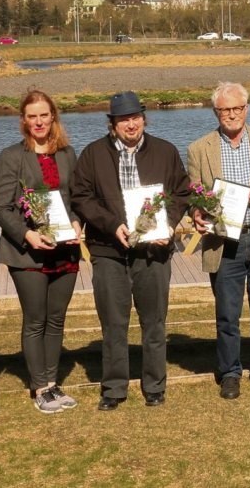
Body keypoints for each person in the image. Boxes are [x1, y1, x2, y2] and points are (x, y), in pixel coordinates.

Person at [70, 91, 191, 411]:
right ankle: (114, 388)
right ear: (112, 124)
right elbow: (81, 196)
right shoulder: (93, 154)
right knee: (113, 323)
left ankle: (154, 385)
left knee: (154, 321)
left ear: (144, 119)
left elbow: (182, 191)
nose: (131, 124)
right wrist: (112, 225)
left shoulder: (165, 151)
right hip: (108, 250)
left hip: (153, 253)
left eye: (135, 117)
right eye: (124, 119)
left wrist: (168, 225)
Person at [187, 82, 250, 399]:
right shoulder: (199, 149)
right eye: (224, 109)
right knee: (227, 314)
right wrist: (197, 211)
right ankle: (230, 372)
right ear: (216, 112)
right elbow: (193, 193)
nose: (231, 114)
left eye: (237, 108)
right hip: (224, 242)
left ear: (246, 109)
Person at [0, 90, 84, 414]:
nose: (39, 122)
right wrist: (27, 234)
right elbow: (1, 207)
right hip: (28, 253)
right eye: (32, 116)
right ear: (23, 120)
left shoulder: (68, 154)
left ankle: (53, 382)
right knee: (35, 320)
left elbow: (76, 200)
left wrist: (77, 223)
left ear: (53, 116)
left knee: (56, 320)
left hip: (64, 250)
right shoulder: (11, 156)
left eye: (44, 115)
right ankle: (40, 388)